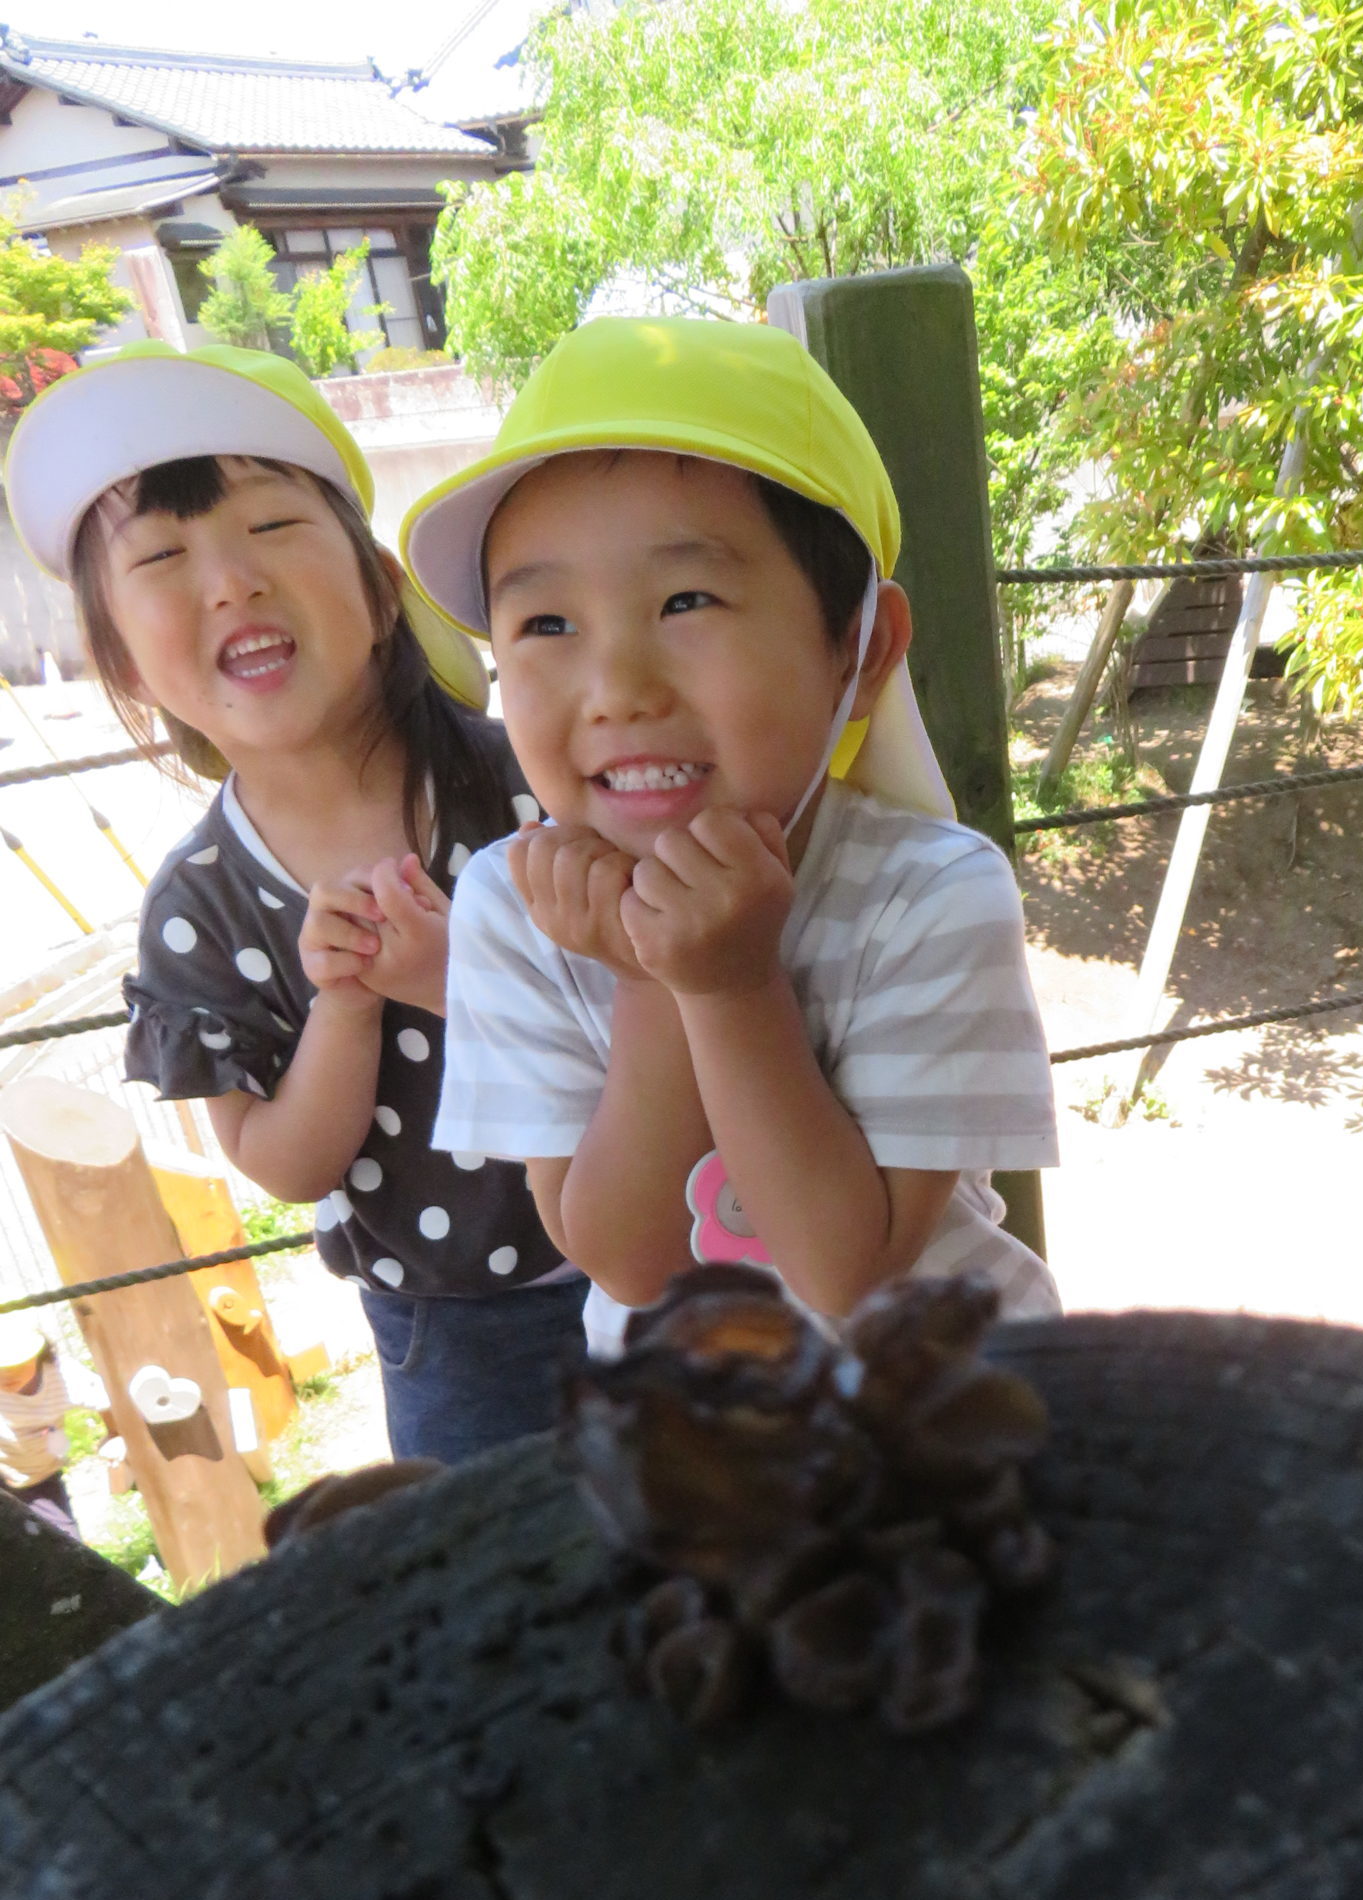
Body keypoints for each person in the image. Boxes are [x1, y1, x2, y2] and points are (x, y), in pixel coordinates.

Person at [402, 316, 1062, 1354]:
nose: (615, 690)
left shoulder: (931, 894)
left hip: (946, 1437)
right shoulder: (510, 908)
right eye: (546, 624)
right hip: (701, 1467)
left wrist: (726, 984)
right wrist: (648, 983)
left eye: (686, 599)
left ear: (861, 646)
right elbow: (630, 1260)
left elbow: (844, 1269)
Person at [6, 342, 583, 1464]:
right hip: (452, 1332)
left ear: (378, 582)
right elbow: (288, 1164)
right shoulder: (199, 906)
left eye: (271, 527)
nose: (230, 580)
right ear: (121, 660)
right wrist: (350, 1005)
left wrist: (460, 978)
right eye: (164, 556)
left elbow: (655, 1004)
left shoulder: (532, 778)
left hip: (669, 1253)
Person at [0, 1315, 105, 1540]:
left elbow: (107, 1399)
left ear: (39, 1354)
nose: (8, 1375)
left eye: (17, 1364)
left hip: (38, 1475)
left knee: (64, 1540)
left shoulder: (61, 1376)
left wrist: (115, 1434)